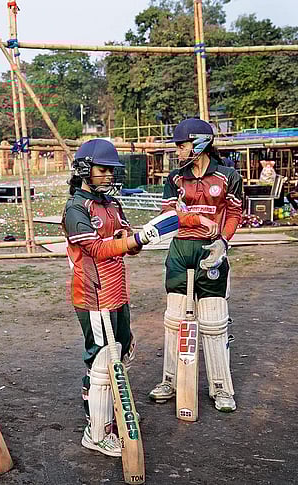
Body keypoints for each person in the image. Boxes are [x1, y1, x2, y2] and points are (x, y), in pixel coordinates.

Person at [62, 139, 178, 456]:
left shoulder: (112, 204)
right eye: (103, 170)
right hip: (92, 294)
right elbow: (96, 250)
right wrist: (133, 241)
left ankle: (113, 413)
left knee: (122, 352)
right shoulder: (76, 209)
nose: (109, 176)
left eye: (112, 170)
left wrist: (142, 237)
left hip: (117, 292)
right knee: (103, 360)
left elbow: (127, 241)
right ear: (85, 169)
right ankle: (96, 432)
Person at [149, 118, 243, 412]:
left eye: (182, 145)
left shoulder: (228, 176)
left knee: (214, 323)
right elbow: (170, 216)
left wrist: (223, 243)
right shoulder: (176, 178)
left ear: (200, 143)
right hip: (180, 250)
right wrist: (197, 219)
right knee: (174, 321)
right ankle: (170, 380)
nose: (178, 151)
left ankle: (221, 388)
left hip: (211, 251)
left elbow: (233, 214)